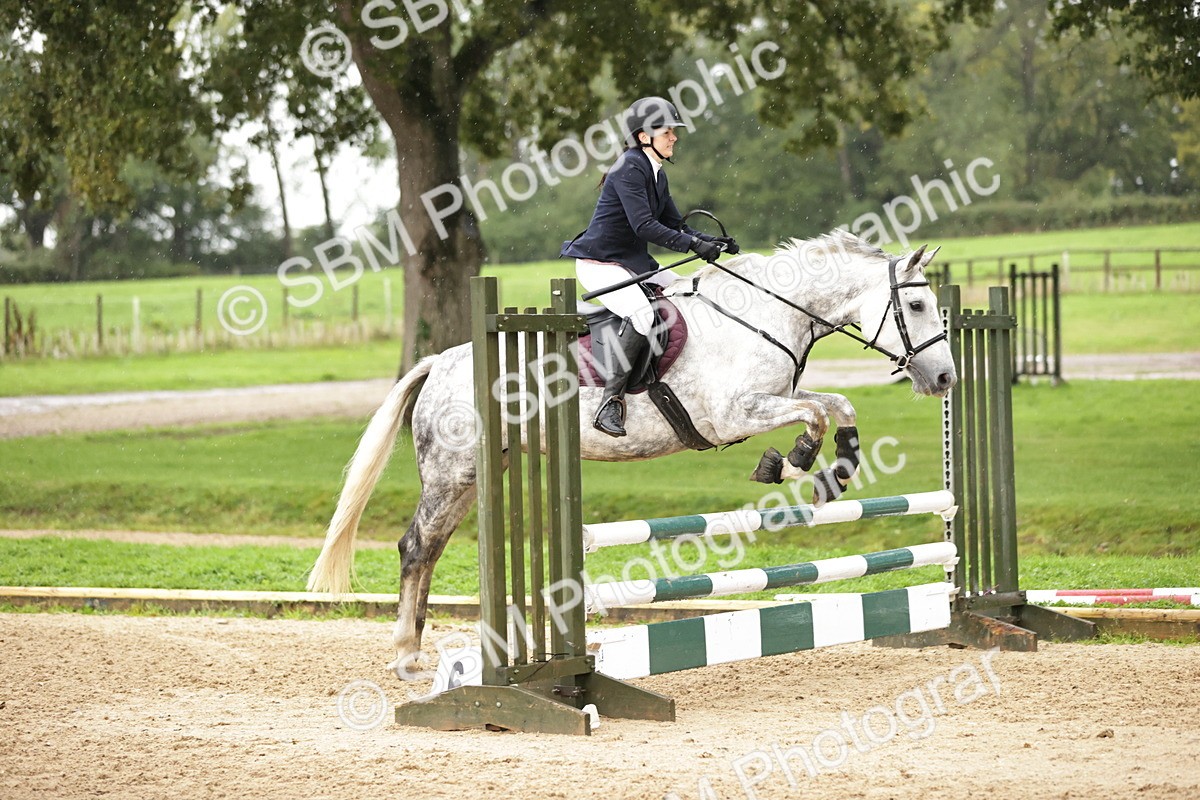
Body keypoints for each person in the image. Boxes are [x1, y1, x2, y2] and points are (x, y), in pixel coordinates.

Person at [561, 96, 739, 438]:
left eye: (674, 131)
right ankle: (609, 402)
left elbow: (676, 224)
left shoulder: (656, 173)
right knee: (642, 315)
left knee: (687, 289)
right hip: (601, 264)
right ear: (644, 137)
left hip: (631, 263)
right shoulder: (629, 168)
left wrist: (714, 241)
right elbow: (644, 226)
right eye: (667, 131)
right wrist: (691, 244)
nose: (674, 137)